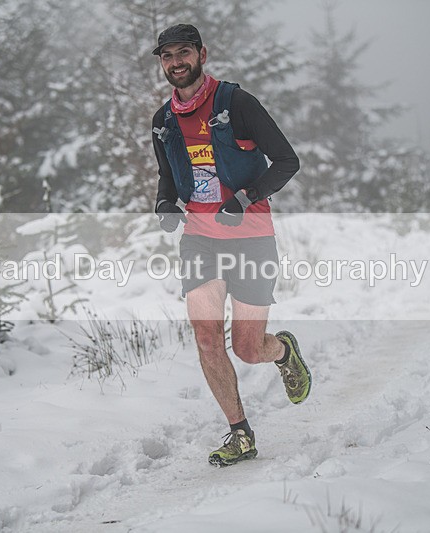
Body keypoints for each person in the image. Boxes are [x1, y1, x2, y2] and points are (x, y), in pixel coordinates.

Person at [150, 24, 312, 467]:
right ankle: (240, 433)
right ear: (162, 63)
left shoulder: (237, 104)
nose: (176, 62)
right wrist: (165, 202)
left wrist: (245, 199)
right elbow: (167, 174)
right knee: (206, 339)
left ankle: (282, 351)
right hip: (200, 239)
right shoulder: (163, 120)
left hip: (252, 239)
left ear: (202, 54)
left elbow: (286, 161)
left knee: (247, 347)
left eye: (184, 52)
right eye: (167, 56)